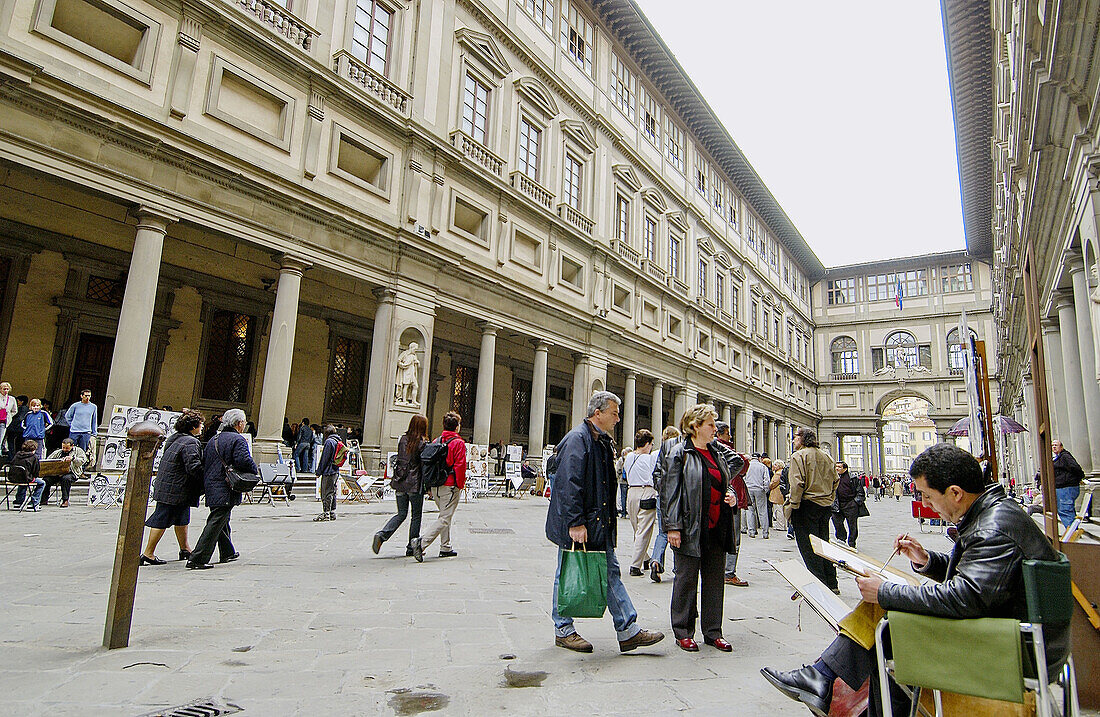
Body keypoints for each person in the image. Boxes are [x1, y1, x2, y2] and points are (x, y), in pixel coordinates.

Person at [761, 443, 1070, 717]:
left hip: (1018, 648)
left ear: (955, 493)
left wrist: (886, 593)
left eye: (927, 495)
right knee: (889, 614)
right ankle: (823, 677)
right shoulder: (992, 515)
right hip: (1014, 630)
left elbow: (966, 598)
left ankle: (825, 678)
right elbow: (985, 580)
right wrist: (927, 560)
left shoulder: (991, 528)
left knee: (890, 628)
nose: (926, 504)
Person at [545, 391, 665, 654]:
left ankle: (627, 630)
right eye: (614, 413)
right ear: (597, 413)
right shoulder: (578, 439)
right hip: (580, 524)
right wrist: (575, 522)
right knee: (566, 571)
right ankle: (564, 629)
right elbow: (568, 484)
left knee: (609, 572)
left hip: (595, 523)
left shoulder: (599, 440)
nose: (618, 418)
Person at [662, 404, 745, 652]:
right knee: (686, 581)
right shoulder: (678, 453)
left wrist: (729, 493)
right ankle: (683, 630)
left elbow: (730, 471)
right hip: (690, 526)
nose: (715, 430)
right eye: (710, 425)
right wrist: (673, 527)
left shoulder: (716, 453)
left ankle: (713, 631)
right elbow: (670, 493)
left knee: (714, 581)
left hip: (717, 526)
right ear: (695, 426)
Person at [187, 409, 256, 570]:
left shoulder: (214, 439)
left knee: (221, 517)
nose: (244, 424)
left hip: (212, 484)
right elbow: (243, 461)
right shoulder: (238, 440)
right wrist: (254, 469)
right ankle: (198, 558)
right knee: (217, 520)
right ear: (239, 424)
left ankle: (227, 552)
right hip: (225, 485)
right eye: (244, 422)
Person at [141, 410, 204, 565]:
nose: (202, 427)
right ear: (193, 426)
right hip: (176, 487)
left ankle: (185, 549)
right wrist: (206, 478)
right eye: (200, 424)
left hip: (170, 484)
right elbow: (193, 466)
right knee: (161, 518)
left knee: (182, 517)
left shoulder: (175, 437)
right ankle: (148, 553)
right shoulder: (190, 442)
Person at [784, 428, 840, 594]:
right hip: (824, 505)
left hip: (806, 504)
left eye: (795, 438)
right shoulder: (826, 456)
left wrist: (793, 505)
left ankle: (819, 584)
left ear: (802, 439)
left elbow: (797, 483)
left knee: (808, 547)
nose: (793, 441)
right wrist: (829, 497)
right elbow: (836, 480)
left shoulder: (798, 456)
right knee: (823, 543)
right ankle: (832, 582)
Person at [412, 411, 467, 561]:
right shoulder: (458, 443)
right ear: (456, 427)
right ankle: (421, 543)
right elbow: (460, 466)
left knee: (444, 514)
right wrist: (460, 485)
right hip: (450, 485)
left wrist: (429, 487)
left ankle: (445, 546)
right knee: (445, 517)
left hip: (436, 485)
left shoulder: (437, 440)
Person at [374, 414, 427, 556]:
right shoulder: (422, 444)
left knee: (401, 513)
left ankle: (382, 534)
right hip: (414, 484)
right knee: (416, 516)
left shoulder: (402, 440)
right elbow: (422, 465)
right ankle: (411, 547)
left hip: (400, 482)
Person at [714, 421, 748, 587]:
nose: (730, 437)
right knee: (733, 536)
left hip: (722, 495)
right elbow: (741, 464)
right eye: (728, 434)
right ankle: (728, 572)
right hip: (730, 495)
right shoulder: (723, 449)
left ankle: (721, 569)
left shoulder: (711, 448)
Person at [624, 429, 658, 576]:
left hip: (631, 492)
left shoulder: (629, 456)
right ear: (647, 444)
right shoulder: (650, 459)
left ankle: (645, 559)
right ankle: (635, 566)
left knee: (637, 529)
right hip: (647, 492)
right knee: (644, 531)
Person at [649, 425, 681, 583]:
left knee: (662, 532)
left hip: (662, 497)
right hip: (676, 497)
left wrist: (662, 489)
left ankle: (656, 561)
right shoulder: (682, 449)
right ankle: (678, 568)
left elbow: (656, 473)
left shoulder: (660, 450)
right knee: (678, 531)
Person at [831, 461, 866, 549]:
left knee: (852, 525)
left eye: (839, 467)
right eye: (836, 467)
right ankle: (841, 539)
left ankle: (852, 542)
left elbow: (860, 492)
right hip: (837, 504)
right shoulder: (832, 477)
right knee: (837, 522)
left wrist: (856, 502)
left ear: (845, 468)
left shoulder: (853, 478)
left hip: (850, 505)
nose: (837, 468)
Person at [43, 438, 87, 507]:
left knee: (66, 479)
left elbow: (82, 461)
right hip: (57, 473)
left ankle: (65, 500)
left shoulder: (78, 451)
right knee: (46, 479)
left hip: (72, 473)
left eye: (67, 448)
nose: (64, 449)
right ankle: (43, 499)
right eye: (63, 447)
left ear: (72, 446)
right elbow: (48, 460)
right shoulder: (58, 452)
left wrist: (73, 459)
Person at [1051, 439, 1085, 528]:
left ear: (1061, 447)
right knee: (1068, 509)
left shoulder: (1065, 456)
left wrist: (1079, 478)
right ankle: (1073, 529)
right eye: (1052, 445)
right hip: (1065, 486)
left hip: (1066, 487)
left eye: (1056, 445)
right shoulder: (1059, 457)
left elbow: (1076, 468)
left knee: (1064, 509)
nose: (1054, 447)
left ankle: (1071, 531)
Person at [314, 425, 341, 521]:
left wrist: (319, 471)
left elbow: (324, 459)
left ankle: (326, 513)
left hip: (328, 471)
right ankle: (332, 512)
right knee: (332, 491)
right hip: (335, 470)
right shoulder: (338, 441)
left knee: (326, 492)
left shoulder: (329, 442)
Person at [11, 439, 44, 510]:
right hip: (26, 478)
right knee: (42, 483)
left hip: (13, 477)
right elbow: (36, 471)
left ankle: (18, 502)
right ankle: (33, 503)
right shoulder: (33, 457)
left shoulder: (17, 455)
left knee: (23, 481)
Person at [743, 453, 771, 538]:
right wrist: (765, 489)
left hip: (749, 489)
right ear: (759, 458)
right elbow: (766, 480)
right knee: (762, 511)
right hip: (759, 489)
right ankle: (765, 532)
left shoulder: (747, 466)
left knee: (750, 510)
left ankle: (751, 531)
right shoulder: (763, 467)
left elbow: (744, 477)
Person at [769, 459, 787, 533]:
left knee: (778, 510)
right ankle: (783, 525)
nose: (774, 466)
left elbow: (773, 483)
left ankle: (780, 525)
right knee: (781, 509)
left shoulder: (777, 474)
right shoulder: (783, 472)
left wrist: (770, 485)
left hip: (777, 494)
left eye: (775, 465)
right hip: (780, 493)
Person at [0, 382, 16, 457]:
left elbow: (14, 411)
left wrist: (9, 416)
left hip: (4, 421)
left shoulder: (12, 399)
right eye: (4, 389)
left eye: (7, 389)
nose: (6, 391)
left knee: (1, 438)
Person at [616, 447, 630, 518]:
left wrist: (619, 476)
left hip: (622, 480)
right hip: (629, 481)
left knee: (623, 497)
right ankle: (628, 512)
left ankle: (623, 513)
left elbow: (618, 469)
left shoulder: (621, 460)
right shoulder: (630, 459)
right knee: (628, 497)